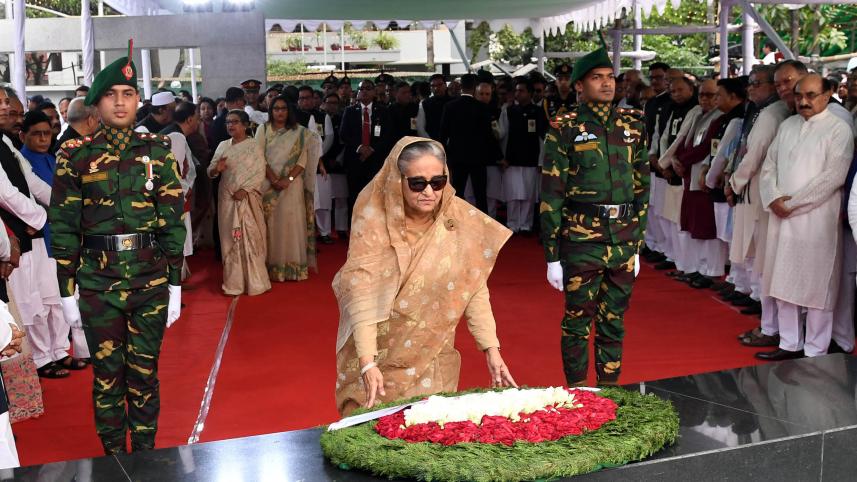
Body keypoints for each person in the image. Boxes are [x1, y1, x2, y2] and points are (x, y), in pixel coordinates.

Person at [49, 41, 186, 454]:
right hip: (97, 285)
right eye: (111, 94)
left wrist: (175, 284)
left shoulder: (158, 152)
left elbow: (172, 221)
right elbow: (64, 226)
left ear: (138, 100)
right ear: (96, 103)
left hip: (150, 282)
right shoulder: (75, 155)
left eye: (128, 94)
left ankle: (145, 457)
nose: (120, 103)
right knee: (107, 377)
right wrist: (65, 289)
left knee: (144, 374)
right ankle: (113, 460)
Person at [333, 137, 516, 415]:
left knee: (430, 434)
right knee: (373, 436)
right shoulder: (373, 218)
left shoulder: (457, 218)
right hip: (380, 354)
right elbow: (362, 293)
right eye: (418, 183)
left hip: (432, 351)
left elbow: (474, 287)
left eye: (438, 182)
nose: (429, 192)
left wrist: (491, 349)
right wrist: (368, 362)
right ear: (398, 181)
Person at [541, 44, 649, 386]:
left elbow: (642, 186)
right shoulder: (565, 128)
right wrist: (552, 256)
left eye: (610, 78)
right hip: (581, 240)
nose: (607, 84)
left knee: (613, 321)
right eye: (596, 78)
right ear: (578, 86)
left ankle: (610, 392)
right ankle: (578, 393)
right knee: (576, 322)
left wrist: (637, 244)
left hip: (623, 240)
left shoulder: (632, 125)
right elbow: (551, 195)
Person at [756, 74, 853, 360]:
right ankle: (789, 343)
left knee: (816, 286)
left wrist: (793, 204)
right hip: (780, 216)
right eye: (799, 96)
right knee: (782, 281)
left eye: (811, 95)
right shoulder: (787, 125)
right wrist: (773, 198)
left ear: (827, 95)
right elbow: (768, 166)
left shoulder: (839, 129)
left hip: (816, 220)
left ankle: (815, 349)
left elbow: (833, 177)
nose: (803, 101)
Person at [733, 60, 806, 349]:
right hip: (770, 198)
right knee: (765, 265)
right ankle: (773, 326)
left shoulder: (778, 113)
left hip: (782, 202)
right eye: (778, 84)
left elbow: (757, 157)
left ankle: (777, 329)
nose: (784, 89)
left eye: (787, 82)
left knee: (769, 265)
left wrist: (735, 182)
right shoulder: (777, 113)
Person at [724, 65, 782, 318]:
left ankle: (759, 297)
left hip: (757, 187)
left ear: (772, 85)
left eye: (757, 83)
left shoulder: (771, 113)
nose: (751, 88)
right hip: (749, 184)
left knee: (757, 246)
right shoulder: (759, 110)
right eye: (750, 83)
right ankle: (753, 292)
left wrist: (734, 182)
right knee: (750, 245)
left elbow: (755, 152)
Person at [208, 109, 270, 296]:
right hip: (227, 198)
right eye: (228, 122)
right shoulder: (222, 146)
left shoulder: (253, 146)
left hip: (248, 198)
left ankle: (256, 282)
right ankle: (234, 283)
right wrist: (215, 170)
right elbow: (210, 170)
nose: (230, 125)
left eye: (235, 122)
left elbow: (260, 172)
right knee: (230, 239)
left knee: (251, 236)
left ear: (245, 125)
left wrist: (245, 190)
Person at [258, 96, 318, 282]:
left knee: (291, 223)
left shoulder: (301, 133)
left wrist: (288, 179)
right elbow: (259, 156)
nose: (280, 112)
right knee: (272, 225)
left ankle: (292, 268)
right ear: (271, 111)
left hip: (292, 186)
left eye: (283, 108)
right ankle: (271, 267)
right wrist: (274, 178)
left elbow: (302, 160)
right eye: (276, 109)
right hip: (269, 184)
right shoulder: (263, 129)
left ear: (289, 111)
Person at [438, 74, 502, 213]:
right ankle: (482, 227)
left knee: (458, 192)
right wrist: (499, 156)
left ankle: (455, 223)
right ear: (474, 88)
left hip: (457, 156)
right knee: (480, 194)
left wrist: (444, 155)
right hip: (478, 157)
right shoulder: (482, 108)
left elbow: (443, 134)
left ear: (461, 87)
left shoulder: (450, 106)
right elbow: (489, 135)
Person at [340, 80, 392, 216]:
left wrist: (371, 149)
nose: (364, 91)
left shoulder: (383, 111)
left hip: (376, 160)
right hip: (355, 160)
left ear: (374, 92)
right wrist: (360, 147)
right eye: (361, 88)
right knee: (355, 196)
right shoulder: (350, 111)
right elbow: (344, 134)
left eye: (368, 88)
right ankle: (355, 228)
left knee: (376, 196)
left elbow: (388, 135)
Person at [502, 77, 547, 233]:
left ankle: (526, 225)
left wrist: (541, 161)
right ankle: (513, 224)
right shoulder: (509, 111)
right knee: (513, 195)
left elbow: (542, 138)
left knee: (528, 195)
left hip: (531, 159)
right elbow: (504, 135)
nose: (517, 94)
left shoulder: (538, 112)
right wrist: (503, 157)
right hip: (512, 160)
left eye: (521, 91)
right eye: (516, 90)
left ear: (529, 93)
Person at [161, 102, 200, 279]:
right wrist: (183, 193)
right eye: (197, 117)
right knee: (176, 240)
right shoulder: (176, 137)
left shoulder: (173, 133)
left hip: (176, 196)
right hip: (174, 198)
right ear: (190, 119)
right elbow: (174, 172)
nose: (198, 122)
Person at [416, 74, 451, 141]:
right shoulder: (425, 104)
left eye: (439, 85)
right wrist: (432, 143)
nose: (436, 88)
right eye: (433, 86)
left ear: (445, 85)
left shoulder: (454, 102)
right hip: (432, 143)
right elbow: (420, 128)